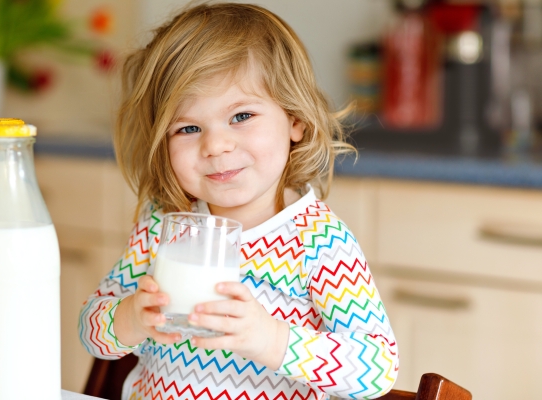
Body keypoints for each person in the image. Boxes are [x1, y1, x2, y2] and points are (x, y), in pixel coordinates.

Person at [79, 3, 398, 399]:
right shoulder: (165, 221)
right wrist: (129, 320)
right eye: (189, 128)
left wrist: (271, 340)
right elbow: (92, 330)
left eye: (242, 116)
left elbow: (377, 368)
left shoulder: (318, 240)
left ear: (294, 119)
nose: (216, 145)